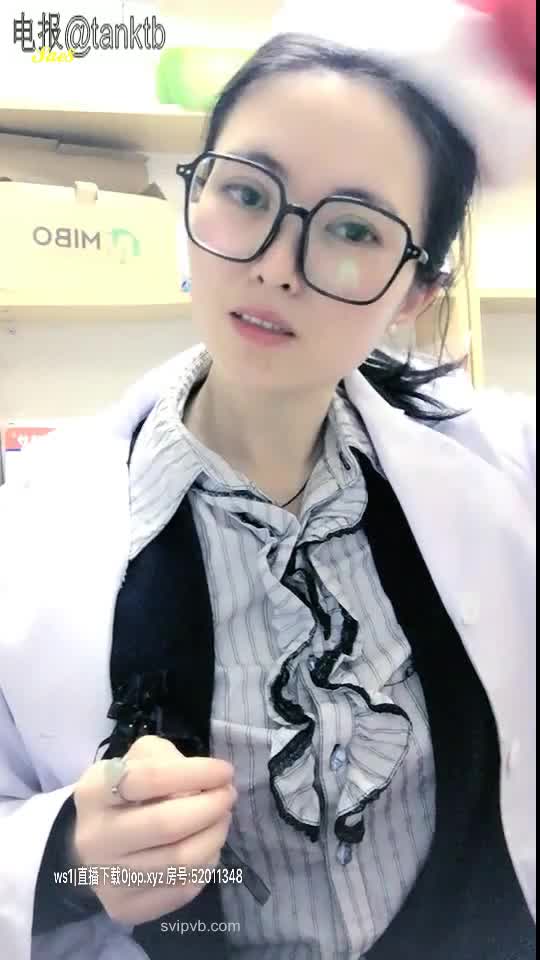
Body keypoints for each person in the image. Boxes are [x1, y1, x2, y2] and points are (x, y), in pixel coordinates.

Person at [0, 1, 536, 958]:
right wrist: (67, 853)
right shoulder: (32, 526)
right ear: (193, 197)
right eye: (248, 194)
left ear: (416, 290)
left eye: (354, 229)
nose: (278, 268)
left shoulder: (500, 478)